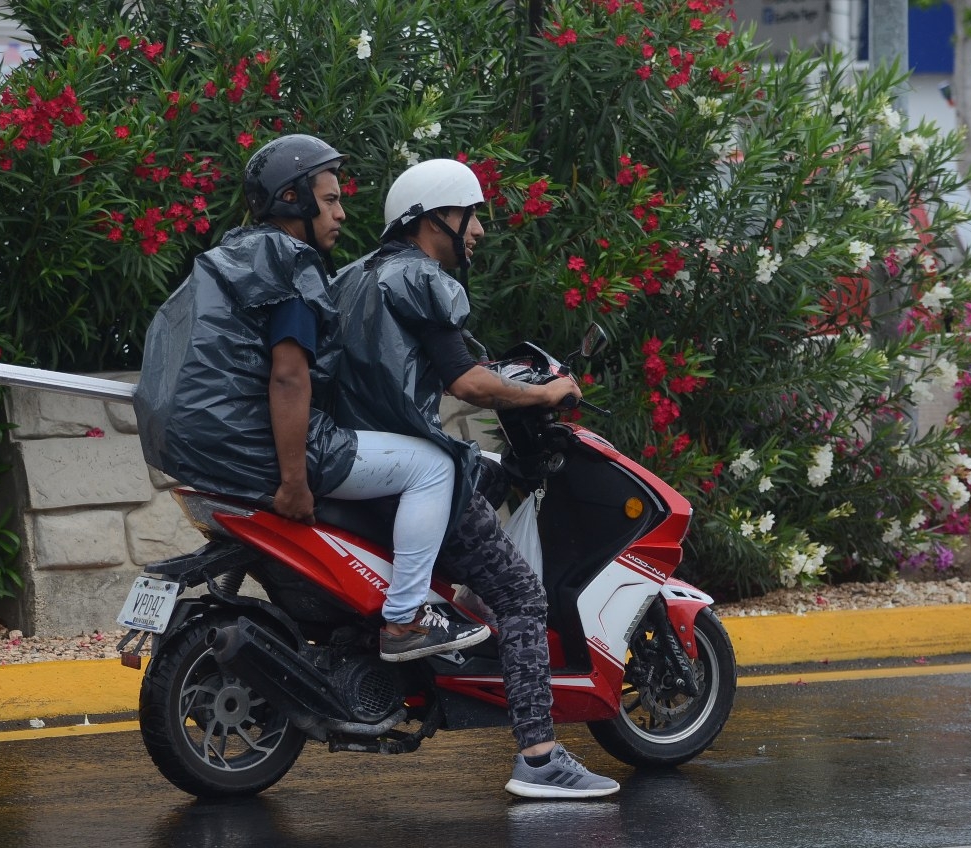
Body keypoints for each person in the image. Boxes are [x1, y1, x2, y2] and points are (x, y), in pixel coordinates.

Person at [132, 135, 488, 662]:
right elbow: (289, 378)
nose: (341, 213)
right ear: (292, 201)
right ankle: (406, 620)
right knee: (434, 466)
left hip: (196, 444)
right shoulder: (291, 264)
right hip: (250, 441)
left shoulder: (232, 255)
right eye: (330, 200)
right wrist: (295, 481)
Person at [332, 158, 620, 798]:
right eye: (473, 214)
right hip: (404, 465)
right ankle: (541, 758)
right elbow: (466, 382)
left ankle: (456, 652)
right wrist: (546, 396)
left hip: (353, 460)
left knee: (483, 479)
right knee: (521, 595)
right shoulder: (423, 280)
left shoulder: (355, 278)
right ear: (436, 217)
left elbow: (452, 360)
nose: (481, 230)